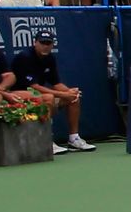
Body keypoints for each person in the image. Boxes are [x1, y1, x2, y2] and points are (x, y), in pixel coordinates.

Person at [6, 23, 94, 151]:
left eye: (48, 43)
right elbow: (34, 86)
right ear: (34, 42)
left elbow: (56, 83)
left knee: (74, 98)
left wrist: (69, 91)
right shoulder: (24, 58)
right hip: (20, 96)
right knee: (49, 98)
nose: (45, 46)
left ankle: (74, 138)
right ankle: (46, 140)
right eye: (42, 43)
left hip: (39, 95)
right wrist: (63, 94)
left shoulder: (50, 58)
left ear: (52, 45)